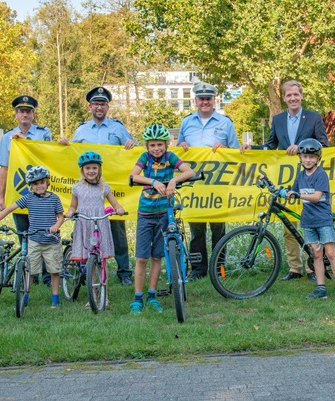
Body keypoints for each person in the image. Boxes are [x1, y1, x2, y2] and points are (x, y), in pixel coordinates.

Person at [242, 79, 328, 282]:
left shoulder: (314, 118)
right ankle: (294, 268)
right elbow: (270, 146)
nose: (293, 98)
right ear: (284, 98)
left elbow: (324, 144)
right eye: (288, 95)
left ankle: (312, 268)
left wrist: (302, 147)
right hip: (287, 177)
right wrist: (251, 149)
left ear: (302, 96)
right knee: (289, 226)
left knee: (310, 223)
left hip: (309, 179)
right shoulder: (278, 119)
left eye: (296, 94)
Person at [58, 86, 137, 286]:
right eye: (95, 104)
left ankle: (124, 272)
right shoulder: (82, 129)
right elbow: (71, 154)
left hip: (112, 187)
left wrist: (131, 145)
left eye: (102, 104)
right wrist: (65, 145)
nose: (99, 107)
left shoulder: (118, 128)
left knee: (117, 229)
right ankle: (84, 268)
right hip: (86, 189)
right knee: (84, 227)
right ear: (90, 106)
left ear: (107, 107)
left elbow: (134, 151)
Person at [129, 124, 195, 314]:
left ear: (166, 144)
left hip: (164, 212)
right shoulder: (145, 158)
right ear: (147, 146)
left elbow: (188, 172)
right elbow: (133, 176)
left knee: (157, 256)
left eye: (159, 144)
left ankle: (152, 296)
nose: (156, 148)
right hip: (145, 213)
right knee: (142, 257)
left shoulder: (170, 157)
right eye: (152, 145)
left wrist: (174, 180)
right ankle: (137, 298)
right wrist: (153, 181)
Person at [177, 82, 239, 280]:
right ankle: (198, 270)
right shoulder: (186, 122)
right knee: (196, 232)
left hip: (217, 185)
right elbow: (178, 151)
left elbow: (236, 153)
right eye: (201, 99)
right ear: (195, 100)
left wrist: (226, 149)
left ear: (214, 100)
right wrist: (182, 145)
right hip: (194, 185)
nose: (205, 102)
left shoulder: (225, 123)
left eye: (208, 99)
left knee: (218, 230)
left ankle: (219, 270)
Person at [0, 95, 53, 284]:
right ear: (16, 114)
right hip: (19, 192)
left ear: (33, 114)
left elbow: (52, 157)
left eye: (28, 111)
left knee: (44, 233)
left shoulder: (44, 134)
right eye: (21, 111)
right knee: (24, 234)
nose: (25, 114)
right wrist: (1, 197)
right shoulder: (7, 138)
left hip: (42, 194)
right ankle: (29, 273)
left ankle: (46, 274)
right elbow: (4, 168)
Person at [0, 166, 65, 308]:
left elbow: (60, 216)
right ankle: (25, 295)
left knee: (54, 270)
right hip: (34, 240)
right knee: (30, 270)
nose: (39, 186)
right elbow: (9, 209)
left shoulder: (54, 198)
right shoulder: (28, 198)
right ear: (31, 186)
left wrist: (56, 226)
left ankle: (55, 298)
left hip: (51, 241)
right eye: (35, 184)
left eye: (42, 182)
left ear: (47, 182)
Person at [286, 139, 335, 302]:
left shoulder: (320, 174)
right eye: (305, 156)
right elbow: (292, 191)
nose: (308, 160)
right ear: (300, 157)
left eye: (311, 157)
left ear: (317, 158)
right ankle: (321, 288)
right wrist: (282, 192)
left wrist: (298, 195)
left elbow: (316, 197)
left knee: (330, 253)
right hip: (308, 221)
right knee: (316, 254)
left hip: (322, 219)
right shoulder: (300, 176)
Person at [64, 151, 125, 307]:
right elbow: (73, 205)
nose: (91, 171)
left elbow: (114, 203)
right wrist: (70, 212)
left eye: (94, 168)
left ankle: (104, 295)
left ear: (99, 169)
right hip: (84, 223)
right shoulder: (77, 188)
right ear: (82, 171)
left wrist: (118, 208)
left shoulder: (104, 188)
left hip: (100, 224)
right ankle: (92, 294)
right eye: (88, 168)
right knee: (89, 261)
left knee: (102, 260)